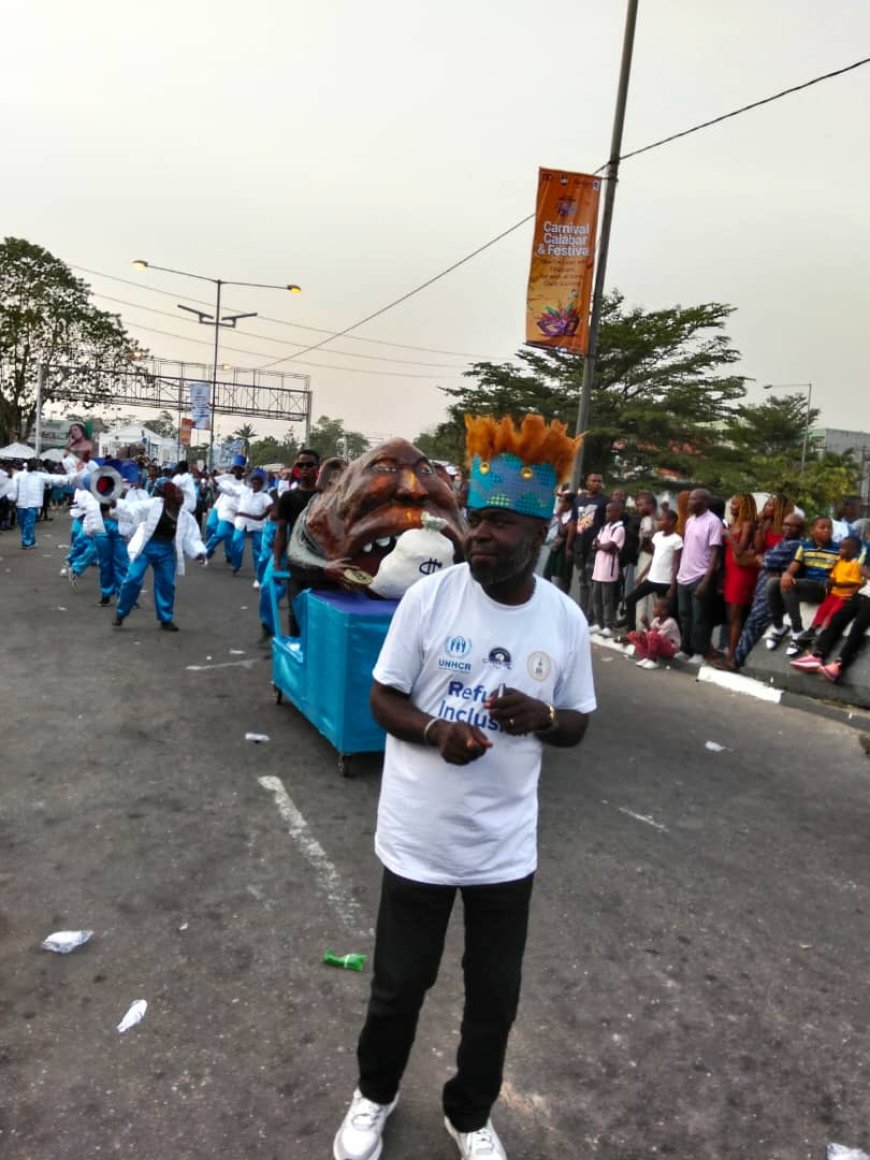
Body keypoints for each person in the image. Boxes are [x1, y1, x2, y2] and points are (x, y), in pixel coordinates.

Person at [333, 414, 595, 1160]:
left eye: (499, 524)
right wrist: (434, 731)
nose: (478, 535)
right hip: (419, 840)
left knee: (493, 1002)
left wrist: (542, 716)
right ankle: (372, 1099)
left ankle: (469, 1112)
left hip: (504, 854)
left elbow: (576, 724)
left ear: (539, 532)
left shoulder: (565, 621)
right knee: (397, 990)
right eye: (476, 520)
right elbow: (383, 698)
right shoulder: (431, 598)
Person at [112, 480, 206, 631]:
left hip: (166, 550)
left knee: (167, 584)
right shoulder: (155, 504)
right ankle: (121, 613)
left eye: (182, 494)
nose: (181, 497)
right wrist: (115, 504)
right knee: (133, 579)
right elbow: (134, 509)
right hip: (147, 546)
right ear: (168, 495)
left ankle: (165, 619)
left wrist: (197, 553)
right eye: (177, 493)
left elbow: (190, 536)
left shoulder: (184, 515)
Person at [726, 512, 807, 670]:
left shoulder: (795, 546)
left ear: (802, 529)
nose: (788, 528)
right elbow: (763, 559)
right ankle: (735, 659)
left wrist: (763, 559)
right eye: (786, 524)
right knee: (751, 623)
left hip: (773, 595)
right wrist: (763, 559)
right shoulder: (784, 542)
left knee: (755, 624)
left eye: (794, 526)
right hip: (763, 590)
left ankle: (736, 661)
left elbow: (767, 560)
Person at [764, 516, 837, 654]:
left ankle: (798, 630)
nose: (827, 530)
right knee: (772, 583)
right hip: (808, 588)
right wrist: (787, 574)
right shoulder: (805, 547)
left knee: (791, 584)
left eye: (829, 528)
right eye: (822, 527)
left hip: (824, 588)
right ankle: (779, 627)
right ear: (812, 531)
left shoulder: (837, 548)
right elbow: (794, 566)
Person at [789, 560, 870, 682]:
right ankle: (817, 656)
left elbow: (865, 571)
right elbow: (863, 572)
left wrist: (866, 573)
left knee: (858, 628)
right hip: (860, 595)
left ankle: (838, 665)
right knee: (836, 619)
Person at [789, 535, 864, 654]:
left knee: (833, 613)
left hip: (844, 596)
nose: (839, 551)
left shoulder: (855, 565)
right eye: (839, 548)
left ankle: (824, 633)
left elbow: (854, 582)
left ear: (853, 551)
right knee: (823, 609)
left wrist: (837, 583)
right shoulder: (840, 562)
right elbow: (833, 576)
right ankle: (812, 629)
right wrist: (830, 583)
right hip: (834, 593)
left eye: (843, 548)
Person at [674, 488, 723, 662]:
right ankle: (685, 649)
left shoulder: (713, 522)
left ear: (704, 502)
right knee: (685, 615)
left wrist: (706, 581)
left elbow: (715, 552)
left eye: (693, 500)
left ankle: (699, 652)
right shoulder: (689, 521)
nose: (688, 503)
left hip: (700, 576)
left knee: (700, 617)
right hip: (683, 575)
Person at [622, 507, 682, 634]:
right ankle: (631, 631)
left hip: (665, 582)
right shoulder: (658, 536)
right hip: (651, 579)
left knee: (666, 612)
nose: (659, 523)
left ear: (671, 522)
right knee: (630, 599)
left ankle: (668, 638)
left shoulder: (677, 540)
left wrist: (673, 586)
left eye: (662, 520)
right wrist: (642, 575)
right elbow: (654, 558)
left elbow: (676, 564)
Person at [722, 493, 759, 661]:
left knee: (736, 616)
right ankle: (729, 650)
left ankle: (731, 655)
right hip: (731, 571)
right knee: (730, 615)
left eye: (736, 504)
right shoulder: (733, 523)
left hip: (742, 572)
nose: (732, 506)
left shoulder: (747, 524)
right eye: (732, 503)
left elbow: (740, 550)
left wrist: (728, 535)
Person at [13, 459, 82, 549]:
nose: (36, 466)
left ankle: (26, 543)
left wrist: (70, 478)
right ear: (28, 465)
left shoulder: (39, 475)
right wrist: (12, 498)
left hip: (33, 504)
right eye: (34, 464)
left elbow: (54, 479)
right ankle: (31, 540)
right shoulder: (18, 475)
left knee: (29, 523)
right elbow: (13, 487)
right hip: (20, 503)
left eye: (36, 465)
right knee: (23, 524)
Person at [571, 471, 608, 616]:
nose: (597, 483)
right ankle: (582, 611)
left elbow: (606, 524)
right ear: (587, 482)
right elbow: (574, 522)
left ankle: (591, 615)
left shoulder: (604, 501)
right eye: (594, 480)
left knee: (592, 581)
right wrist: (570, 545)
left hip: (594, 547)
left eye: (599, 481)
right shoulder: (579, 500)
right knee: (582, 581)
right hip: (580, 546)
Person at [588, 500, 624, 636]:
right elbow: (595, 543)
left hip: (608, 569)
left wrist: (599, 545)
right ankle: (599, 623)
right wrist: (599, 545)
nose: (606, 514)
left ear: (617, 513)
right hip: (598, 568)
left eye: (610, 511)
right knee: (596, 597)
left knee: (607, 599)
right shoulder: (604, 527)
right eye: (606, 511)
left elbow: (610, 547)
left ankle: (608, 625)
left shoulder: (619, 529)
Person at [230, 469, 273, 576]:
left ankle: (259, 573)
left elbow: (271, 508)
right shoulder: (244, 492)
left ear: (261, 484)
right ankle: (236, 564)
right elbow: (231, 490)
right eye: (254, 481)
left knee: (257, 549)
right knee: (236, 542)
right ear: (251, 482)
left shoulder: (265, 497)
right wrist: (218, 485)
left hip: (257, 525)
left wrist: (262, 516)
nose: (255, 484)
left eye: (258, 482)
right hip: (241, 523)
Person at [627, 596, 680, 670]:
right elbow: (649, 632)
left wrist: (646, 624)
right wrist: (640, 633)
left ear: (664, 611)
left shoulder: (670, 622)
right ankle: (645, 657)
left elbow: (655, 636)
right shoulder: (656, 620)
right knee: (633, 635)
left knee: (652, 635)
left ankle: (652, 660)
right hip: (657, 643)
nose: (653, 610)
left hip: (669, 649)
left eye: (655, 608)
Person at [542, 489, 575, 592]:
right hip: (556, 546)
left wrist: (559, 517)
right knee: (547, 573)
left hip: (564, 547)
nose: (561, 504)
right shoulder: (562, 513)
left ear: (569, 503)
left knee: (562, 576)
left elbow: (563, 531)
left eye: (563, 501)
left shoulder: (572, 515)